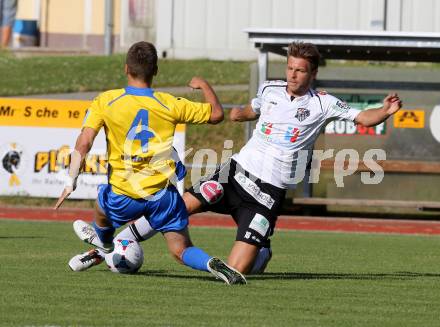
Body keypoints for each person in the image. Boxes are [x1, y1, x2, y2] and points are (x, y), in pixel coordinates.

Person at [75, 41, 402, 275]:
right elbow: (249, 111)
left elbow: (363, 118)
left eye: (300, 70)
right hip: (235, 172)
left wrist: (385, 111)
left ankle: (261, 252)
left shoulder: (324, 103)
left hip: (267, 193)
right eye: (290, 68)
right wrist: (234, 114)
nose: (292, 75)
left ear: (312, 73)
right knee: (180, 206)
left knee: (238, 270)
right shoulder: (270, 89)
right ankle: (115, 245)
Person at [55, 41, 246, 285]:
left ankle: (103, 244)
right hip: (162, 196)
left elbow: (84, 143)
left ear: (126, 68)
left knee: (102, 208)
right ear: (155, 70)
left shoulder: (106, 101)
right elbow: (217, 114)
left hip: (124, 194)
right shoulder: (169, 103)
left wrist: (71, 180)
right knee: (181, 250)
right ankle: (212, 264)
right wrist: (204, 85)